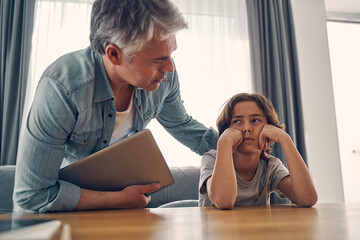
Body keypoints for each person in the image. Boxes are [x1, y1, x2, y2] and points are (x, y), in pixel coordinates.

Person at [14, 0, 218, 213]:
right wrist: (119, 199)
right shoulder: (63, 88)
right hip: (54, 213)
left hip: (119, 210)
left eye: (171, 54)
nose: (170, 67)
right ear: (114, 54)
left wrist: (239, 145)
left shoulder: (164, 79)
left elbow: (182, 125)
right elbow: (32, 195)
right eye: (159, 60)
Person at [199, 93, 317, 209]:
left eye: (255, 120)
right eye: (237, 121)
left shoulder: (270, 166)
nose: (247, 128)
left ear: (269, 128)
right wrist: (224, 142)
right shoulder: (211, 159)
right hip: (218, 228)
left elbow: (307, 199)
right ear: (227, 129)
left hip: (256, 228)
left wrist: (285, 139)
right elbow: (224, 201)